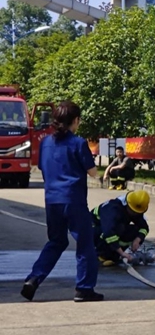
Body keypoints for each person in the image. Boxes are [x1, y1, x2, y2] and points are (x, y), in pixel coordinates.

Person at [20, 101, 104, 302]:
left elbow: (42, 167)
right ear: (75, 120)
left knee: (56, 241)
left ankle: (33, 279)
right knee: (85, 244)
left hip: (52, 201)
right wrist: (101, 174)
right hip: (73, 200)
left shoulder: (46, 143)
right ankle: (84, 288)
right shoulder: (78, 143)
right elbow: (92, 172)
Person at [91, 190, 150, 266]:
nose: (135, 214)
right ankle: (100, 256)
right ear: (127, 205)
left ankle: (114, 256)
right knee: (118, 228)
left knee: (134, 231)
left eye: (138, 213)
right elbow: (108, 233)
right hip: (91, 230)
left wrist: (138, 239)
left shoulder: (134, 209)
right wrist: (122, 253)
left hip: (109, 229)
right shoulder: (113, 210)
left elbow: (144, 227)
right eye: (133, 211)